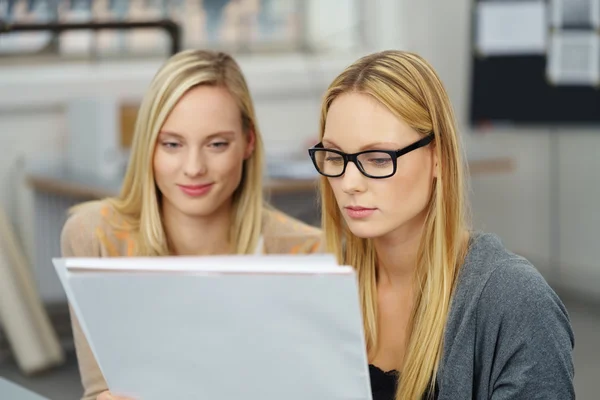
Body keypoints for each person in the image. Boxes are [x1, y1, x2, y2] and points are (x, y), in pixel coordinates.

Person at [308, 50, 575, 400]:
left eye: (376, 158)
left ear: (439, 158)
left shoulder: (516, 302)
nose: (349, 183)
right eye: (335, 156)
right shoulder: (322, 288)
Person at [61, 49, 322, 400]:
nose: (194, 167)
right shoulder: (94, 236)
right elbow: (99, 391)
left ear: (248, 142)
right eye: (172, 144)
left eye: (216, 144)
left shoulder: (306, 253)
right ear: (148, 147)